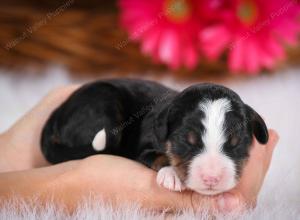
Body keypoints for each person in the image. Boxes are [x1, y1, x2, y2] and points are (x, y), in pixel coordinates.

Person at [0, 85, 279, 213]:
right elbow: (148, 150)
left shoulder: (179, 116)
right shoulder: (161, 123)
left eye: (233, 147)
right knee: (107, 127)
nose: (211, 173)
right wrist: (162, 162)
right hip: (104, 99)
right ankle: (80, 149)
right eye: (189, 145)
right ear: (165, 130)